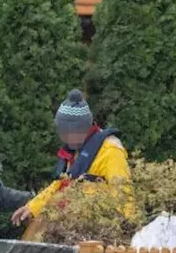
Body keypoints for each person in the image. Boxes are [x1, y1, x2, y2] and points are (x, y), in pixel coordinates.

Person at [11, 89, 133, 237]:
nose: (64, 138)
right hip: (66, 227)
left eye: (67, 133)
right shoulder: (74, 150)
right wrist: (32, 207)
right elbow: (60, 184)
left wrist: (128, 229)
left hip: (93, 232)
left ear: (82, 128)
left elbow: (123, 193)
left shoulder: (110, 150)